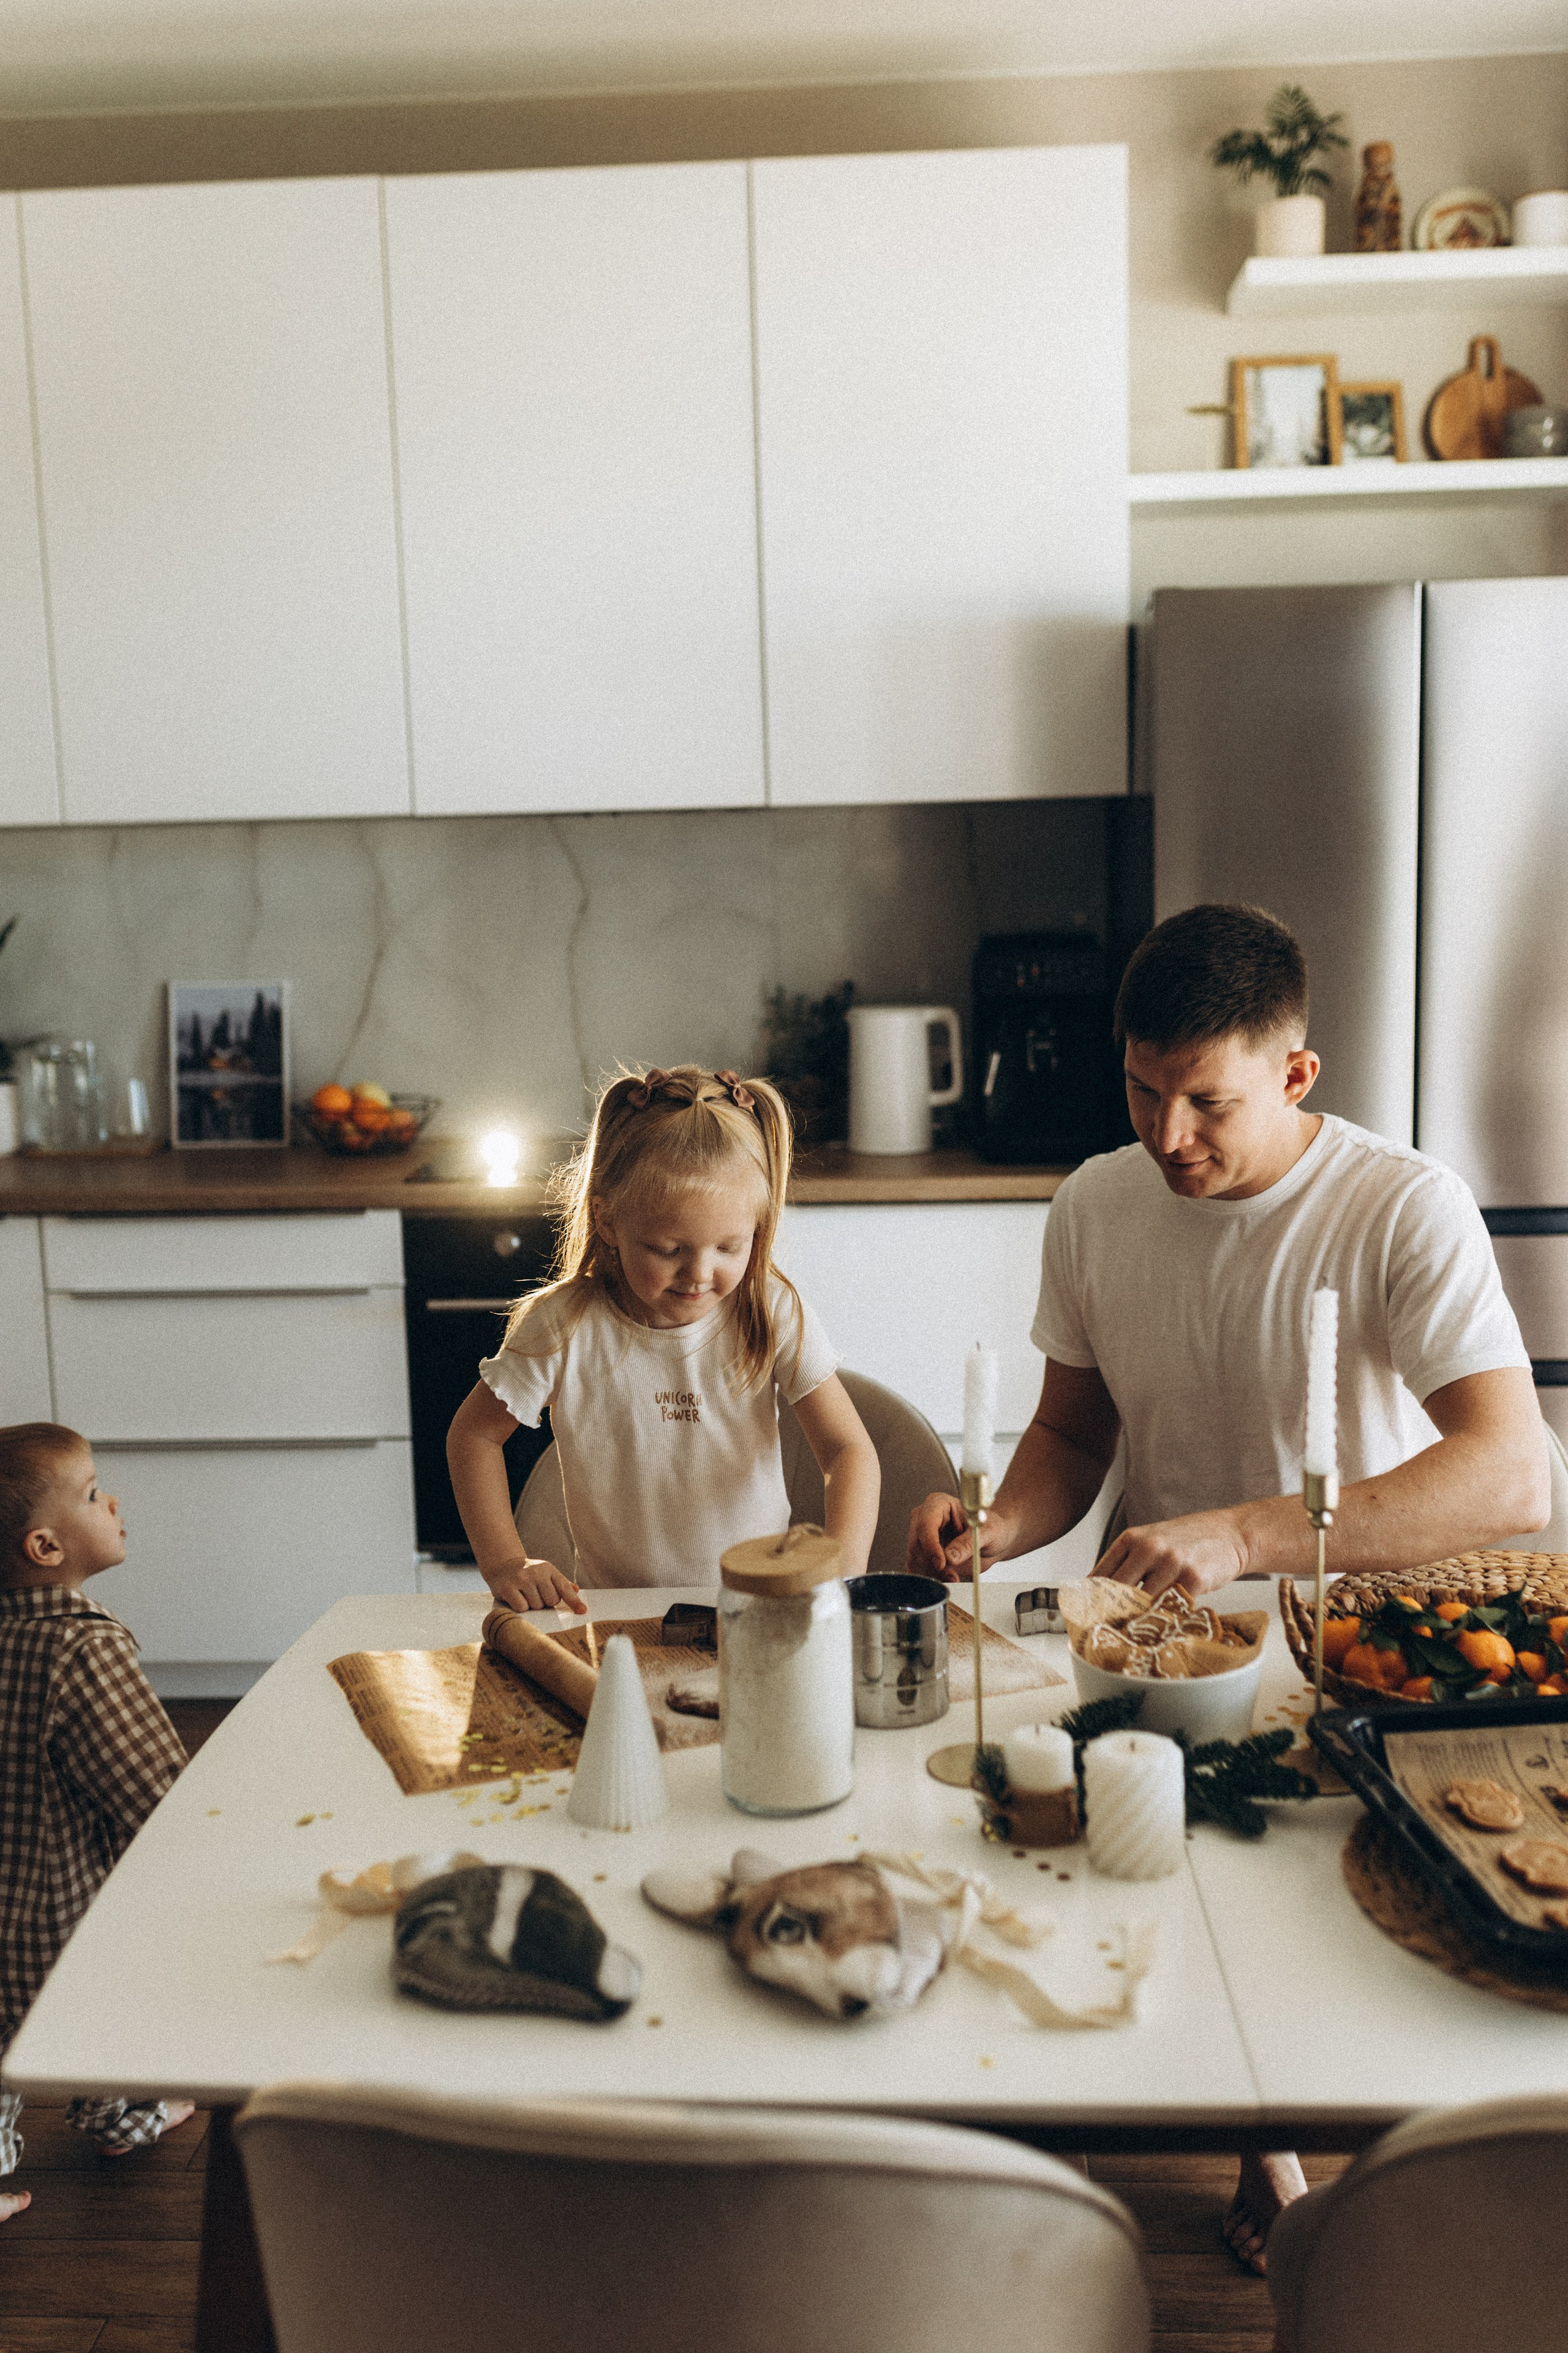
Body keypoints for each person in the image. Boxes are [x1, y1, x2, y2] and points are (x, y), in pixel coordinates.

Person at [908, 903, 1548, 2270]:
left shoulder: (1397, 1205)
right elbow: (1074, 1437)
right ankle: (1259, 2148)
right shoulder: (1093, 1202)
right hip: (1151, 1637)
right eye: (1141, 1091)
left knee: (1346, 1935)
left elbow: (1509, 1476)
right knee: (1155, 1887)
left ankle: (1405, 2194)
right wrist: (995, 1521)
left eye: (1207, 1101)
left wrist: (1245, 1535)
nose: (1165, 1135)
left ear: (1295, 1076)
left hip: (1351, 1642)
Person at [448, 1065, 880, 1609]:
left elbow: (848, 1451)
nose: (699, 1273)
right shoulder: (566, 1325)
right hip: (616, 1618)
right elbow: (474, 1437)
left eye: (728, 1246)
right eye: (668, 1249)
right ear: (607, 1221)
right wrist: (507, 1562)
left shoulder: (768, 1310)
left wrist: (842, 1572)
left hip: (759, 1609)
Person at [0, 1424, 195, 2222]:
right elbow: (152, 1790)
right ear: (45, 1547)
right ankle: (123, 2113)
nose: (111, 1501)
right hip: (57, 1899)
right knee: (109, 2002)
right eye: (90, 1494)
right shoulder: (83, 1650)